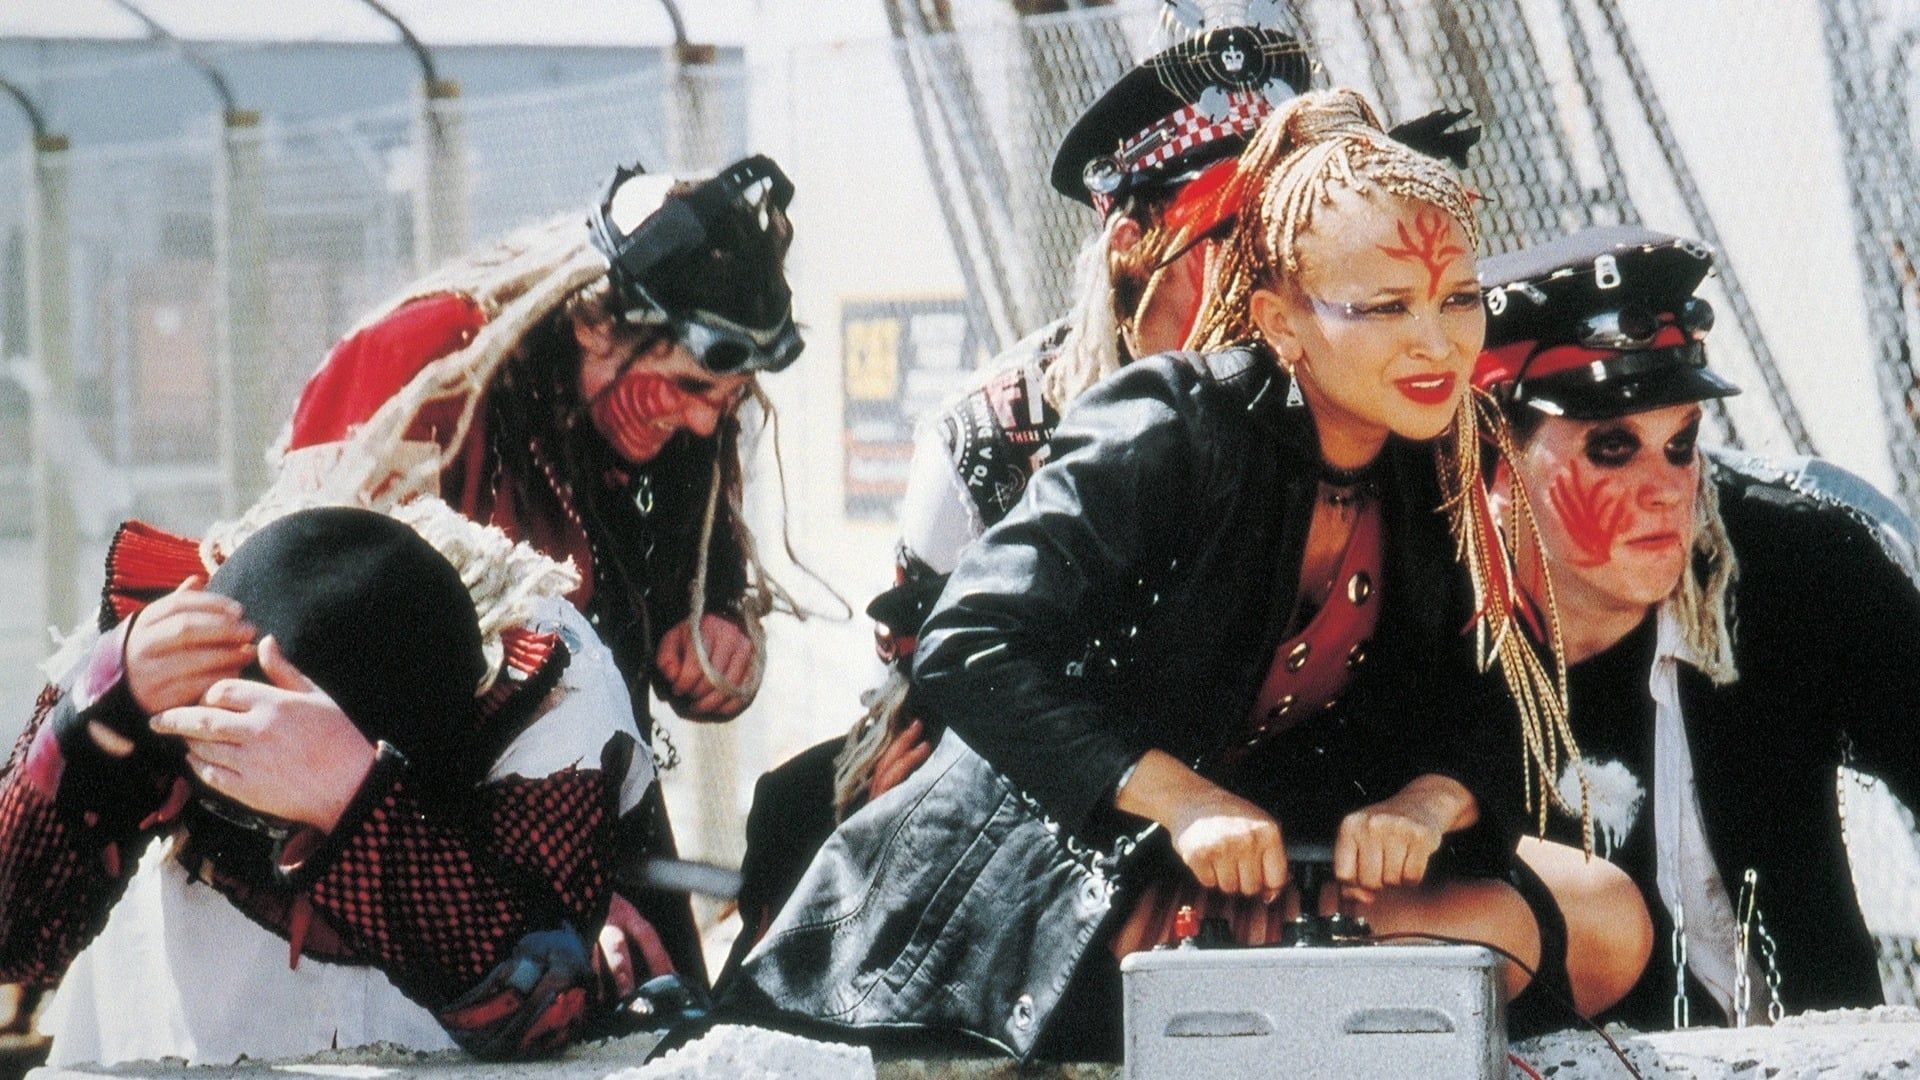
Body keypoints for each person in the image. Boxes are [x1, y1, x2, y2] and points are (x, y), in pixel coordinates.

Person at [726, 89, 1647, 1061]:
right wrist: (1178, 799)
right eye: (1384, 306)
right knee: (1432, 957)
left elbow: (1495, 699)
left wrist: (1427, 801)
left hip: (1268, 866)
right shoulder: (1172, 423)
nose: (1436, 340)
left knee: (1606, 919)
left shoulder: (1427, 445)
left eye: (1457, 298)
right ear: (1280, 321)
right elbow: (968, 642)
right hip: (1058, 878)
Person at [277, 154, 806, 992]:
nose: (708, 422)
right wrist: (548, 902)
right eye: (691, 385)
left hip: (586, 809)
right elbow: (323, 657)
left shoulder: (676, 421)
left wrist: (719, 627)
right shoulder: (435, 368)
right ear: (598, 327)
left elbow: (701, 578)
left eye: (729, 398)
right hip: (374, 846)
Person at [0, 498, 653, 1065]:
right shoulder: (187, 630)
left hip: (427, 1015)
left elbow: (534, 1004)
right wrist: (95, 719)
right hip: (190, 998)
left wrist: (352, 795)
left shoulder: (550, 693)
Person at [1478, 225, 1920, 1029]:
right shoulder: (1424, 624)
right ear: (1493, 462)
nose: (1666, 489)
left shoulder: (1794, 563)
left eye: (1681, 444)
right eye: (1612, 449)